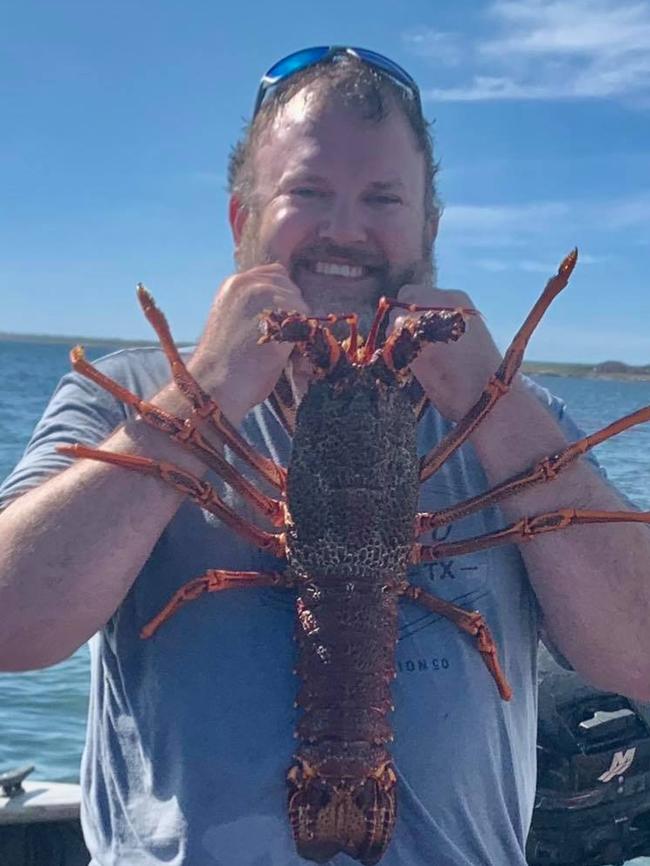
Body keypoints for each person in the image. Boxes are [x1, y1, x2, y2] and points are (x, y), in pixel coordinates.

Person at [1, 46, 649, 866]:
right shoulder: (129, 398)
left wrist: (498, 400)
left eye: (382, 198)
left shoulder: (510, 422)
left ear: (428, 231)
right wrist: (202, 395)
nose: (345, 229)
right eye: (308, 193)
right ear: (244, 220)